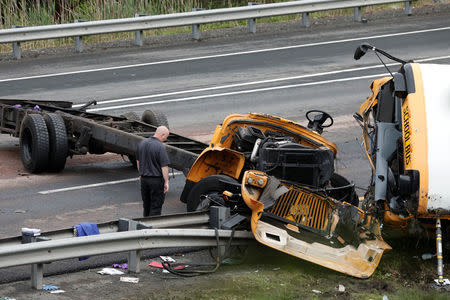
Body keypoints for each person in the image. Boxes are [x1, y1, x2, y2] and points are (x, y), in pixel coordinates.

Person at [136, 126, 170, 217]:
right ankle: (153, 229)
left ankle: (145, 228)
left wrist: (141, 174)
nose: (165, 139)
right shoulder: (160, 146)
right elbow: (164, 167)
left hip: (144, 180)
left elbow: (138, 161)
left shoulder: (142, 143)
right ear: (162, 135)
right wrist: (166, 181)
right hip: (156, 181)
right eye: (165, 137)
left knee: (146, 206)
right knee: (155, 207)